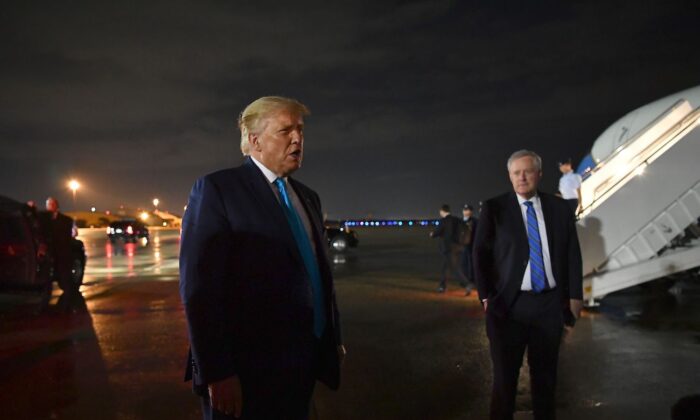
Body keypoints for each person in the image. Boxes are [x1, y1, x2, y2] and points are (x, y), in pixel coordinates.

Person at [179, 96, 345, 420]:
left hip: (302, 365)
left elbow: (319, 275)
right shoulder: (218, 190)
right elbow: (199, 289)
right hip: (245, 372)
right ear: (254, 140)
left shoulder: (308, 197)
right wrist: (216, 371)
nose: (297, 139)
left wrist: (332, 339)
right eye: (286, 131)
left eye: (300, 130)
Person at [473, 150, 583, 420]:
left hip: (549, 306)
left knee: (546, 382)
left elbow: (572, 255)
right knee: (504, 383)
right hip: (508, 308)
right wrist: (486, 297)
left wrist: (576, 298)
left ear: (539, 174)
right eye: (516, 173)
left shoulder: (559, 209)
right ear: (510, 177)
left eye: (528, 171)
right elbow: (480, 255)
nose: (522, 177)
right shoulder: (494, 209)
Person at [38, 197, 76, 294]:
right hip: (49, 252)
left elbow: (69, 236)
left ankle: (67, 296)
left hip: (62, 252)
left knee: (63, 276)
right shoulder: (42, 219)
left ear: (56, 206)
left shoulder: (66, 220)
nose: (50, 207)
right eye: (48, 205)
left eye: (52, 204)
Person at [430, 204, 464, 293]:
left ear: (442, 211)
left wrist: (432, 234)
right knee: (446, 268)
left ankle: (467, 284)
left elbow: (437, 232)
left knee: (454, 268)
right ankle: (442, 286)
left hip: (449, 248)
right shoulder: (455, 219)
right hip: (457, 247)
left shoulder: (444, 221)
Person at [459, 204, 478, 295]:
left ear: (471, 212)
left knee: (471, 265)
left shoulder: (475, 221)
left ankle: (471, 282)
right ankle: (465, 282)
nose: (466, 212)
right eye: (465, 210)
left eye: (468, 210)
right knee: (464, 264)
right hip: (463, 247)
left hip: (471, 247)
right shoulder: (460, 221)